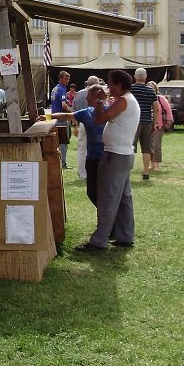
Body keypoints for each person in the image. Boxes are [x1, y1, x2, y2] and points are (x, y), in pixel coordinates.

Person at [75, 70, 140, 252]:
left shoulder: (122, 101)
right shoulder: (129, 100)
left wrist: (100, 101)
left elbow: (99, 119)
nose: (108, 87)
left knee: (107, 198)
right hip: (124, 154)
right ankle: (125, 236)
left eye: (110, 83)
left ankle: (99, 240)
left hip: (115, 155)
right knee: (124, 198)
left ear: (119, 85)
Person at [50, 84, 106, 207]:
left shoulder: (109, 112)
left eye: (89, 95)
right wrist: (49, 116)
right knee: (91, 192)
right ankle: (105, 215)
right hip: (91, 159)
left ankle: (108, 219)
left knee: (106, 192)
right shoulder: (86, 112)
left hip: (106, 159)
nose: (86, 98)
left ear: (96, 97)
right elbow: (67, 116)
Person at [129, 67, 158, 180]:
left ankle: (128, 170)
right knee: (146, 149)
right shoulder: (150, 91)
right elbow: (156, 109)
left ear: (135, 77)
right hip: (147, 122)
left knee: (130, 147)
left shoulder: (130, 89)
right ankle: (146, 172)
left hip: (133, 122)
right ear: (145, 77)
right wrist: (154, 124)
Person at [71, 76, 101, 180]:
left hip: (82, 122)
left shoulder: (78, 94)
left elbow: (73, 110)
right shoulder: (98, 94)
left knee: (82, 148)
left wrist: (75, 126)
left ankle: (82, 173)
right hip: (96, 120)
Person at [147, 80, 173, 171]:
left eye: (152, 87)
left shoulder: (160, 99)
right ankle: (151, 162)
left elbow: (168, 110)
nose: (151, 89)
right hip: (147, 125)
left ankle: (156, 163)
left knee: (156, 145)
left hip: (159, 125)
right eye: (149, 87)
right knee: (149, 145)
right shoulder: (145, 98)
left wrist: (169, 121)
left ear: (156, 89)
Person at [50, 70, 71, 168]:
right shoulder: (62, 89)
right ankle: (63, 163)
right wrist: (71, 110)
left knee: (56, 142)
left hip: (54, 118)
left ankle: (56, 162)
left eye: (68, 79)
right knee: (63, 142)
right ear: (60, 78)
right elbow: (63, 104)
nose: (67, 81)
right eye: (66, 79)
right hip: (61, 119)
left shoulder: (54, 89)